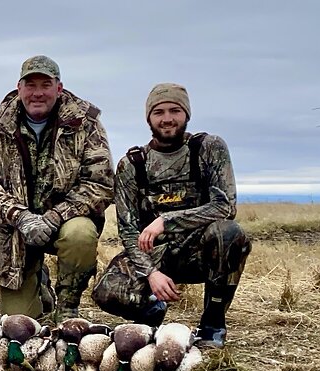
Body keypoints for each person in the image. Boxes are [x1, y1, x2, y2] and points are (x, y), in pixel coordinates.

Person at [91, 83, 249, 348]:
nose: (167, 118)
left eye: (175, 110)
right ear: (149, 118)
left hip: (201, 250)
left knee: (228, 233)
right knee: (106, 291)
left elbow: (224, 206)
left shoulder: (208, 148)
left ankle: (212, 325)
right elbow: (129, 232)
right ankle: (152, 311)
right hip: (155, 254)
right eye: (159, 112)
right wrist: (151, 273)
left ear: (186, 114)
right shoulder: (133, 164)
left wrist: (166, 220)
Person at [0, 55, 114, 322]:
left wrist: (54, 217)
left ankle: (67, 306)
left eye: (45, 85)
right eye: (30, 85)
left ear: (59, 88)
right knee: (20, 324)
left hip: (64, 222)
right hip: (14, 232)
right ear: (19, 88)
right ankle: (39, 286)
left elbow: (99, 183)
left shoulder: (85, 123)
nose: (37, 93)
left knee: (80, 234)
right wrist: (20, 216)